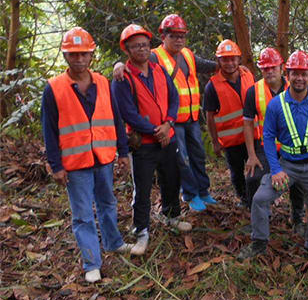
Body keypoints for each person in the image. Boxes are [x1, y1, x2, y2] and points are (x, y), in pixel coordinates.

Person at [42, 28, 133, 282]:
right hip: (75, 163)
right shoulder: (54, 88)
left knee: (108, 203)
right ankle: (92, 262)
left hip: (103, 157)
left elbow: (116, 118)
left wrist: (123, 151)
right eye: (74, 54)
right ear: (66, 56)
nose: (79, 59)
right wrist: (55, 165)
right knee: (82, 214)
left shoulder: (103, 82)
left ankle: (113, 242)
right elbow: (48, 130)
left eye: (84, 54)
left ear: (91, 55)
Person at [113, 14, 218, 212]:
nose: (178, 40)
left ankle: (203, 191)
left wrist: (228, 64)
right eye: (174, 36)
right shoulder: (153, 55)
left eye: (182, 36)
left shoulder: (187, 54)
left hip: (192, 117)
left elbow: (205, 65)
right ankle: (190, 194)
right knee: (182, 159)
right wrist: (118, 65)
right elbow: (132, 61)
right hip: (171, 122)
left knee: (198, 155)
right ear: (164, 37)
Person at [239, 50, 308, 259]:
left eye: (304, 74)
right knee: (260, 199)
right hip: (287, 166)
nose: (299, 78)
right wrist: (275, 170)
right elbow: (267, 137)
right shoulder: (276, 104)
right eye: (295, 73)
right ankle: (259, 244)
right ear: (288, 74)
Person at [112, 24, 191, 257]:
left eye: (145, 45)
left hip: (168, 137)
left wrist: (168, 123)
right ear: (127, 50)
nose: (142, 49)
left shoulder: (158, 69)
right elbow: (127, 113)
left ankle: (170, 215)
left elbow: (174, 97)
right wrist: (156, 131)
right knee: (143, 187)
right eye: (136, 46)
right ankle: (141, 229)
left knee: (171, 179)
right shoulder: (122, 78)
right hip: (144, 143)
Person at [243, 46, 306, 236]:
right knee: (252, 177)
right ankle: (260, 217)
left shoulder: (295, 86)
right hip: (265, 147)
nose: (269, 71)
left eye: (273, 67)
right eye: (265, 68)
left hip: (292, 147)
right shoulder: (254, 91)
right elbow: (247, 124)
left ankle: (297, 218)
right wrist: (252, 155)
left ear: (281, 68)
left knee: (298, 181)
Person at [203, 39, 261, 210]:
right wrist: (215, 142)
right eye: (225, 59)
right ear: (219, 61)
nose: (230, 63)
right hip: (231, 140)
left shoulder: (248, 75)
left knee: (257, 170)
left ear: (239, 59)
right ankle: (244, 199)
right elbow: (210, 117)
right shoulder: (212, 86)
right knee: (237, 173)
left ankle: (257, 199)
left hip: (254, 135)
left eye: (233, 59)